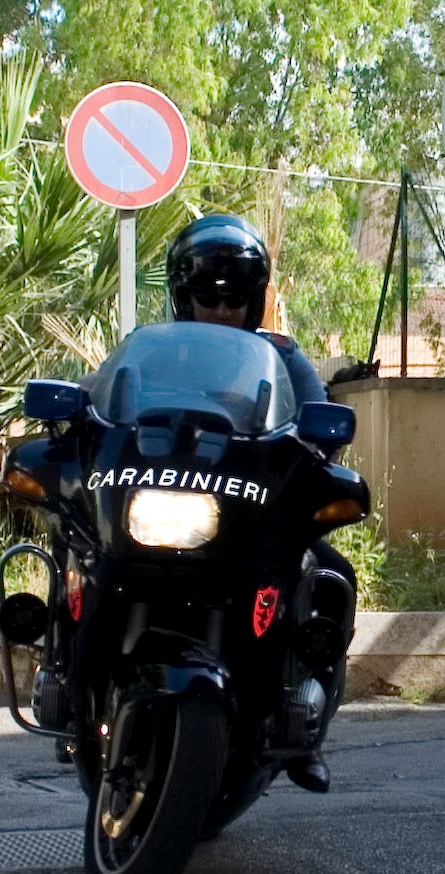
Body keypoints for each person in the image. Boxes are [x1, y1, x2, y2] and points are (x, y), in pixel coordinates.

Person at [167, 213, 356, 794]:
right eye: (208, 297)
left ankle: (304, 729)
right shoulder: (159, 353)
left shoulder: (281, 357)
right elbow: (107, 398)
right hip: (169, 509)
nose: (222, 311)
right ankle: (71, 676)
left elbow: (317, 414)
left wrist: (319, 442)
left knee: (331, 579)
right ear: (184, 298)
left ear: (254, 303)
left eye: (236, 300)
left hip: (253, 515)